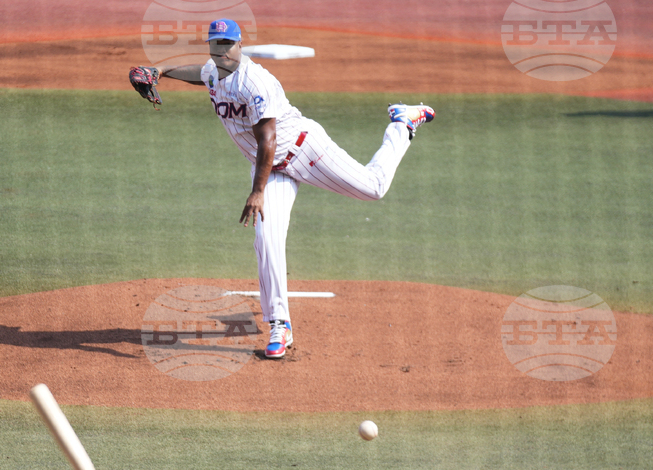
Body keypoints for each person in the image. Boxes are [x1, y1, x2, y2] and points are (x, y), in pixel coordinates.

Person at [134, 19, 434, 359]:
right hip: (272, 168)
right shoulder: (212, 71)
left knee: (374, 187)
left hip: (305, 151)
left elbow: (268, 140)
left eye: (228, 44)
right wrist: (157, 71)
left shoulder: (255, 82)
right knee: (266, 236)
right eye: (216, 44)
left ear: (240, 44)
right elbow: (196, 72)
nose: (223, 50)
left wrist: (257, 191)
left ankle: (403, 122)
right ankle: (280, 325)